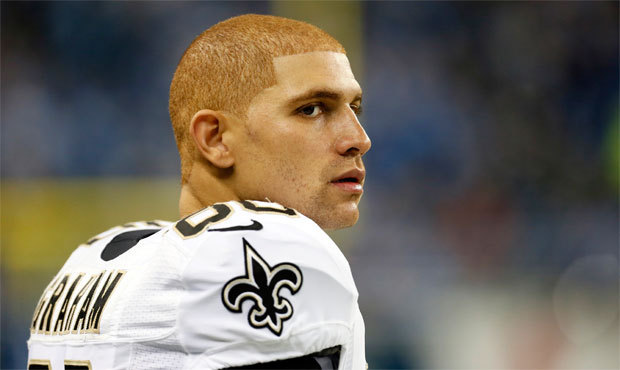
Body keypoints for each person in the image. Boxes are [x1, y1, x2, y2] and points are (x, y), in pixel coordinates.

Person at [27, 14, 371, 370]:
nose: (359, 139)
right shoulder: (266, 245)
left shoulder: (87, 262)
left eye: (355, 108)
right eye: (311, 109)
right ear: (215, 138)